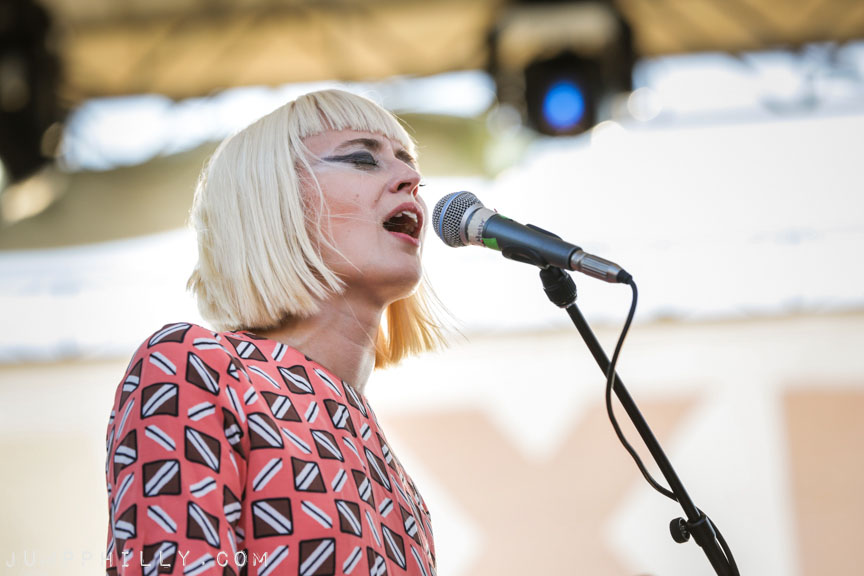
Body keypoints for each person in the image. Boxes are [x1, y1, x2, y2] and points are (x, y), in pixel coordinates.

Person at [104, 89, 445, 576]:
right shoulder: (195, 367)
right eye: (362, 159)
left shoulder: (398, 479)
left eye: (410, 165)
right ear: (271, 201)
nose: (410, 180)